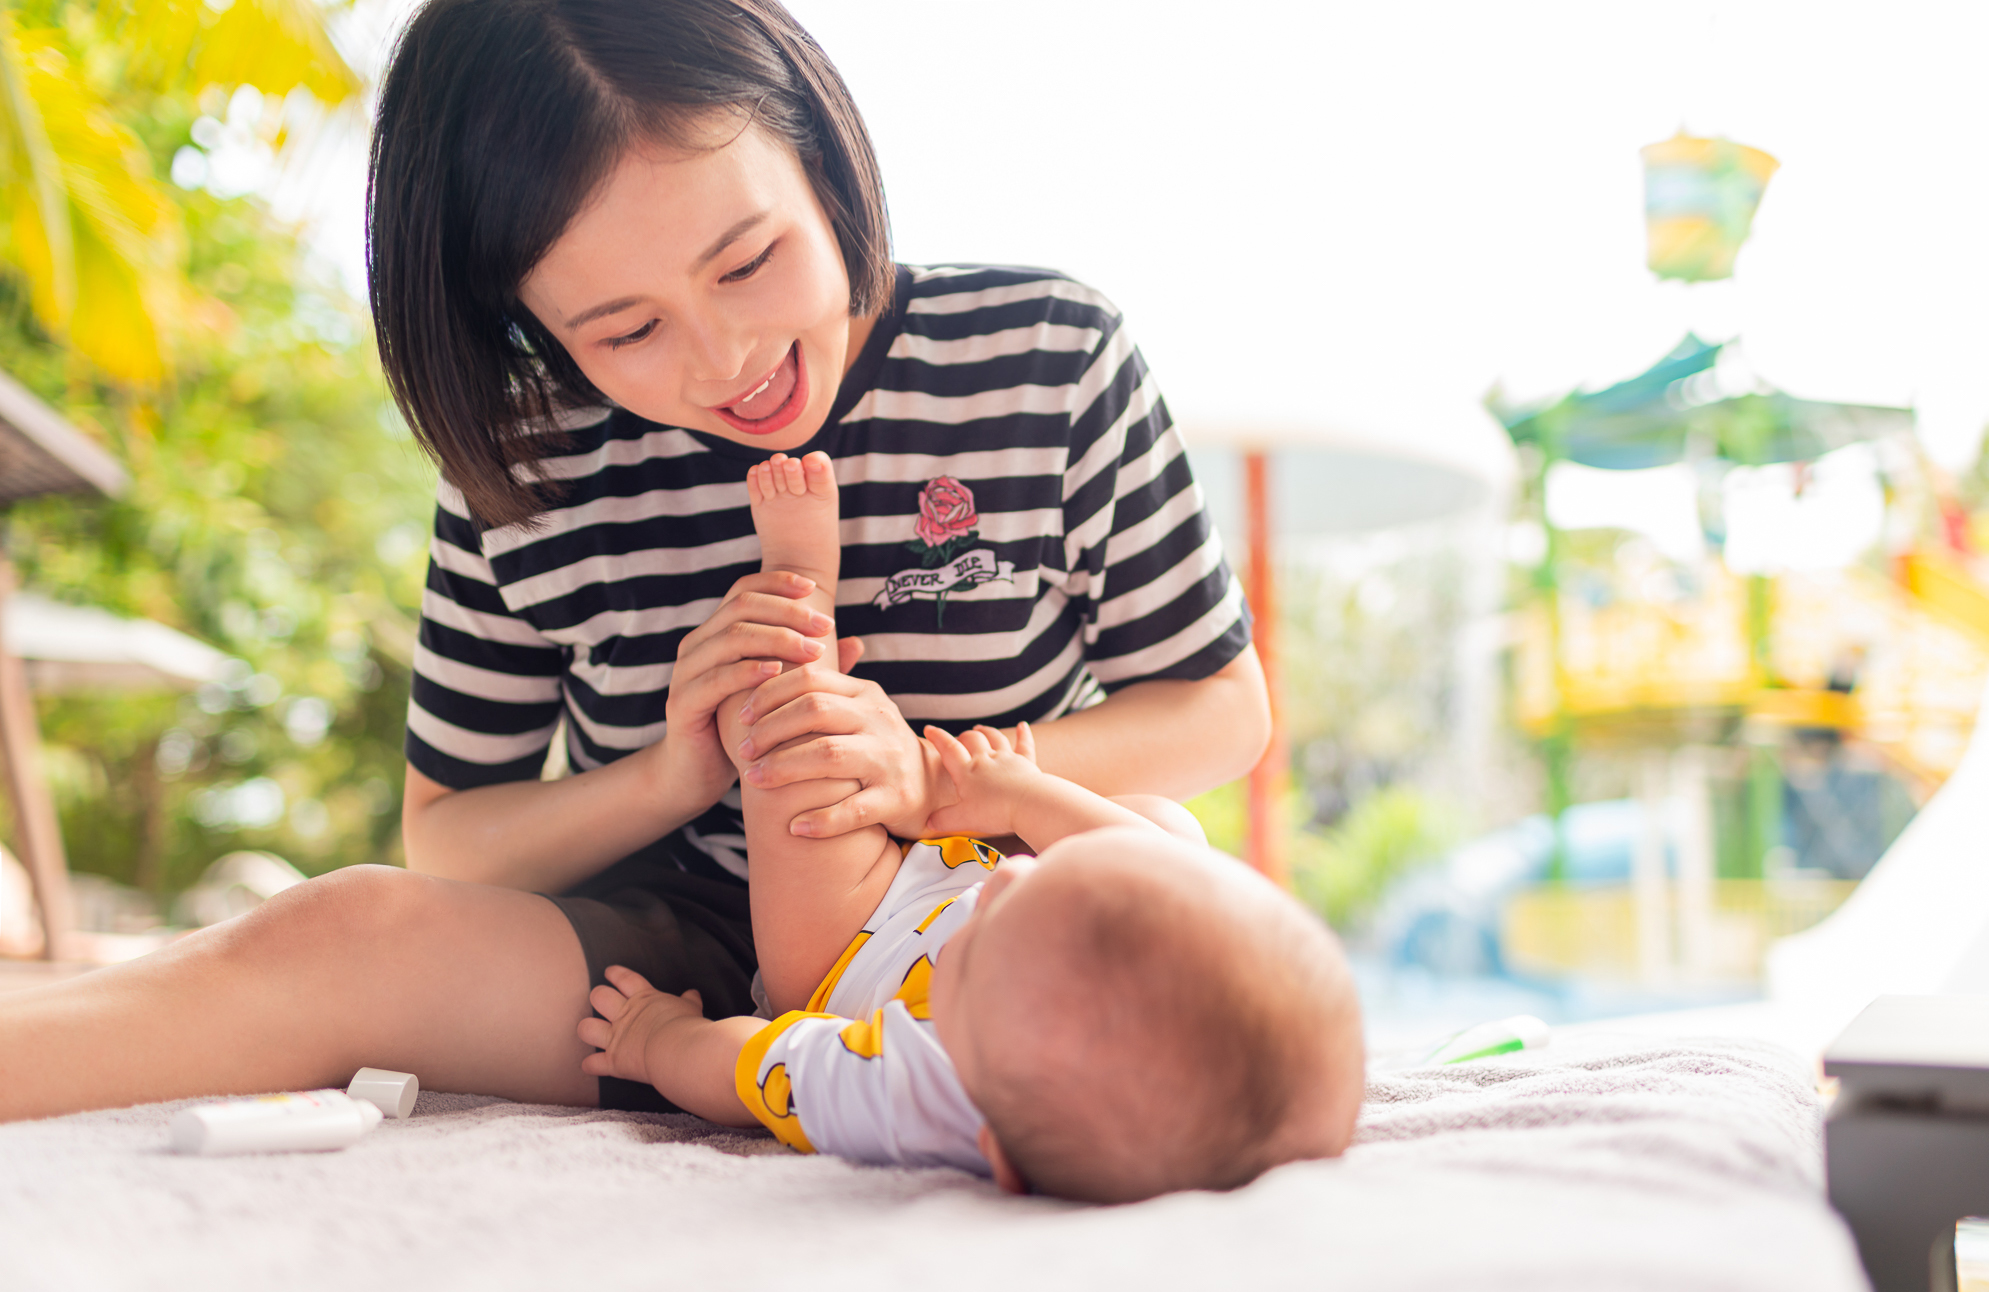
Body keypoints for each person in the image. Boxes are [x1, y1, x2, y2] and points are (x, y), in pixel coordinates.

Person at [0, 0, 1267, 1123]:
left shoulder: (1042, 351)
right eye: (626, 330)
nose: (724, 360)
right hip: (669, 957)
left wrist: (947, 777)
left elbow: (1219, 711)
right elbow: (452, 844)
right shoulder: (524, 460)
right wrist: (671, 771)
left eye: (749, 260)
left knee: (1161, 862)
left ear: (820, 158)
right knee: (334, 931)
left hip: (994, 943)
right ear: (534, 333)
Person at [581, 449, 1361, 1201]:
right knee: (1166, 835)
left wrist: (655, 1040)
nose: (1012, 876)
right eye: (1039, 893)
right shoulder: (1048, 957)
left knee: (790, 746)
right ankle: (1022, 808)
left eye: (991, 942)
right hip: (968, 854)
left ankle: (801, 584)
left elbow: (742, 1068)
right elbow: (1111, 867)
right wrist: (1021, 801)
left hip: (848, 937)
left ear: (1002, 1162)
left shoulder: (914, 1087)